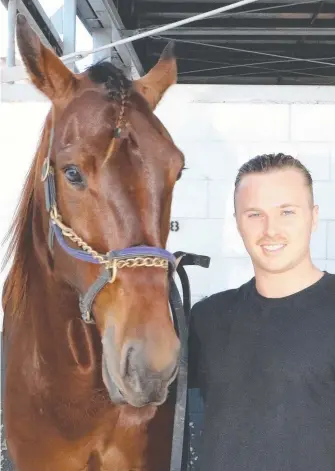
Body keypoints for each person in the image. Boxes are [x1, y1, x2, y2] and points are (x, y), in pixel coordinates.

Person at [188, 153, 335, 471]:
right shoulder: (208, 317)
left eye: (286, 212)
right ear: (238, 222)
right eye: (255, 214)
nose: (270, 229)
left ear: (314, 217)